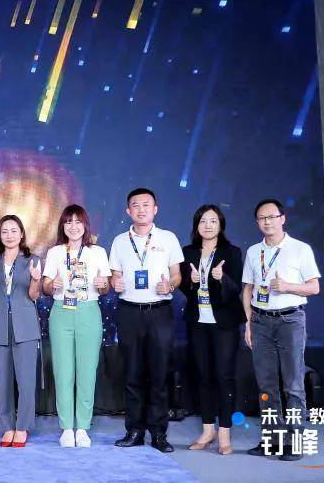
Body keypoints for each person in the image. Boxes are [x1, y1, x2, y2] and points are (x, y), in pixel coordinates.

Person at [242, 198, 320, 461]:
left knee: (293, 385)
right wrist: (248, 322)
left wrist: (288, 287)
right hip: (260, 321)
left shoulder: (300, 249)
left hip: (290, 321)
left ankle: (295, 442)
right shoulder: (254, 252)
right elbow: (248, 289)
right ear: (257, 222)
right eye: (262, 218)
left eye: (272, 217)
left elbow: (314, 287)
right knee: (266, 385)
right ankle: (272, 440)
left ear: (282, 219)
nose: (267, 222)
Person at [109, 187, 184, 453]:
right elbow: (114, 275)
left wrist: (170, 286)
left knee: (159, 374)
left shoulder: (168, 238)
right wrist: (114, 282)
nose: (141, 210)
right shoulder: (120, 241)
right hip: (129, 312)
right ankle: (134, 431)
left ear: (155, 209)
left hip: (159, 312)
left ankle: (159, 433)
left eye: (146, 205)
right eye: (136, 205)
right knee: (132, 374)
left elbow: (177, 275)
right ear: (128, 211)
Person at [41, 205, 110, 448]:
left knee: (87, 371)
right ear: (63, 226)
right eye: (68, 222)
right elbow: (46, 286)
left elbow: (106, 287)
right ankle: (66, 428)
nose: (73, 226)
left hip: (88, 311)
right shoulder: (55, 252)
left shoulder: (98, 252)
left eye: (78, 221)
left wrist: (103, 284)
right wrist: (52, 284)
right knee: (63, 372)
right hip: (61, 312)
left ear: (85, 225)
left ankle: (82, 427)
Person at [178, 204, 244, 455]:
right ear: (197, 225)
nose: (208, 225)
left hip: (224, 323)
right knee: (203, 376)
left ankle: (224, 433)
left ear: (220, 225)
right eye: (203, 221)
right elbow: (184, 287)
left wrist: (220, 278)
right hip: (198, 322)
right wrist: (191, 281)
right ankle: (208, 431)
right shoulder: (188, 252)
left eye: (213, 221)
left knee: (224, 377)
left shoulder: (231, 252)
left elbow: (235, 288)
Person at [0, 215, 42, 448]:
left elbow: (34, 295)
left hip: (25, 325)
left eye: (14, 230)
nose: (9, 235)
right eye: (5, 231)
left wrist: (36, 280)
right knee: (2, 381)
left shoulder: (32, 260)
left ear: (21, 234)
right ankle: (7, 427)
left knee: (26, 381)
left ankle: (22, 427)